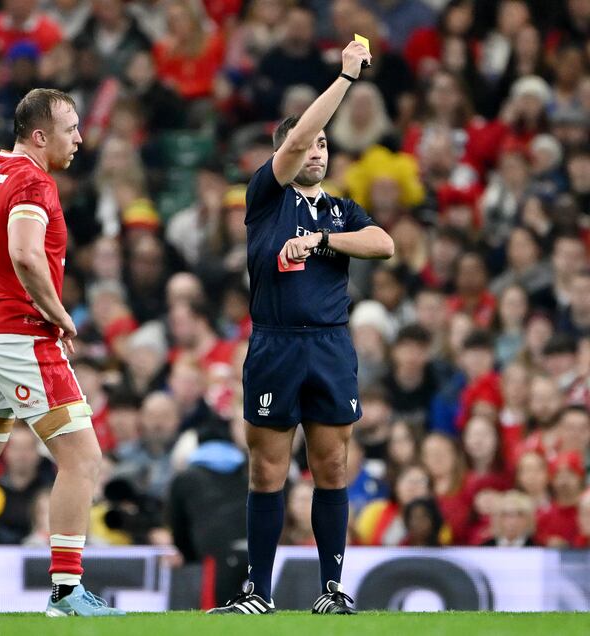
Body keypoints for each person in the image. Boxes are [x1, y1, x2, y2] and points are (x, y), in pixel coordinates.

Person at [0, 88, 123, 618]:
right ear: (40, 135)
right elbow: (25, 252)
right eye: (70, 128)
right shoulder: (34, 180)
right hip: (19, 335)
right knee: (83, 458)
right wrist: (59, 313)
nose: (80, 138)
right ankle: (65, 590)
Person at [210, 41, 393, 616]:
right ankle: (257, 593)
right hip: (275, 342)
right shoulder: (266, 197)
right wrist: (344, 78)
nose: (315, 149)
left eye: (323, 143)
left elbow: (384, 244)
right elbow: (291, 141)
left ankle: (332, 589)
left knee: (332, 465)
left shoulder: (342, 210)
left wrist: (322, 241)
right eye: (307, 142)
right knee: (267, 470)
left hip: (330, 344)